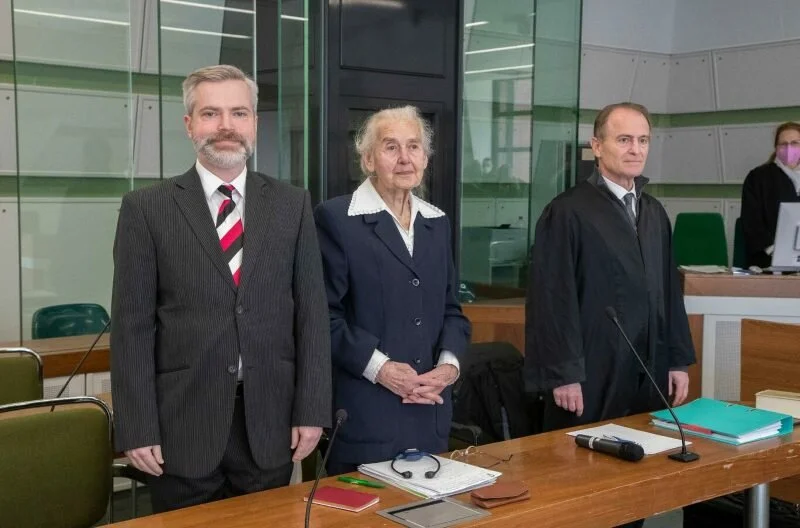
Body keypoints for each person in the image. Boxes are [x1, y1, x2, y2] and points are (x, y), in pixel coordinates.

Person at [110, 64, 331, 513]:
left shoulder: (293, 204)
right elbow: (131, 328)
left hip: (269, 423)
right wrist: (136, 428)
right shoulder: (146, 209)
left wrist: (312, 409)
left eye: (239, 113)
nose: (226, 126)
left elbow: (311, 314)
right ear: (189, 125)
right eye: (211, 113)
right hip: (181, 428)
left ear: (255, 123)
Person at [314, 106, 471, 475]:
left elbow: (452, 311)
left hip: (429, 413)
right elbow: (323, 316)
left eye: (414, 147)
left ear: (426, 157)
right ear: (368, 159)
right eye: (391, 147)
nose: (405, 159)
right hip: (367, 417)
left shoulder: (437, 223)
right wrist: (381, 368)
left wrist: (449, 368)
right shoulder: (336, 220)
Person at [524, 101, 695, 431]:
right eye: (624, 140)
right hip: (591, 372)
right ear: (597, 146)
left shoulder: (654, 212)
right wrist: (564, 375)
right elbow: (552, 300)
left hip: (650, 368)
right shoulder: (567, 212)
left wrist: (677, 360)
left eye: (643, 140)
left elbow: (669, 293)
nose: (635, 150)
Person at [741, 122, 800, 269]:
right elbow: (751, 221)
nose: (788, 148)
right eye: (783, 144)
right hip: (769, 261)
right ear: (776, 148)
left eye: (794, 143)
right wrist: (775, 251)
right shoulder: (758, 177)